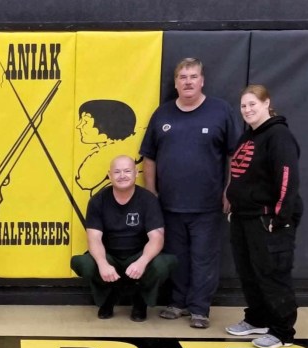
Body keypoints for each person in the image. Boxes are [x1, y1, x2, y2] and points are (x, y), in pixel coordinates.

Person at [140, 57, 240, 329]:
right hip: (169, 205)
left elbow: (234, 154)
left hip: (207, 204)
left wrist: (230, 189)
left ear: (202, 80)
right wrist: (151, 194)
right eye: (182, 77)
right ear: (175, 83)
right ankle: (178, 302)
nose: (187, 81)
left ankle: (199, 309)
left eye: (193, 76)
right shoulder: (162, 114)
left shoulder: (220, 111)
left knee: (204, 258)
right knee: (177, 257)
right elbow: (148, 157)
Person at [225, 85, 303, 348]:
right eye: (244, 106)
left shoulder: (278, 135)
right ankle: (258, 318)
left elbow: (286, 179)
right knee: (248, 273)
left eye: (252, 104)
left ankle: (282, 332)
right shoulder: (248, 137)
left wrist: (279, 217)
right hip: (243, 218)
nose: (247, 110)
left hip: (267, 218)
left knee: (273, 274)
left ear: (266, 103)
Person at [71, 155, 176, 321]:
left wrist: (142, 261)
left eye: (127, 171)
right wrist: (103, 263)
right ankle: (107, 298)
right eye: (117, 172)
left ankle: (140, 300)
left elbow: (157, 237)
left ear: (136, 173)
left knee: (163, 264)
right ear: (109, 175)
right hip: (110, 255)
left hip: (138, 255)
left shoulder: (148, 199)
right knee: (85, 263)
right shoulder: (98, 201)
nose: (122, 175)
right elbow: (94, 238)